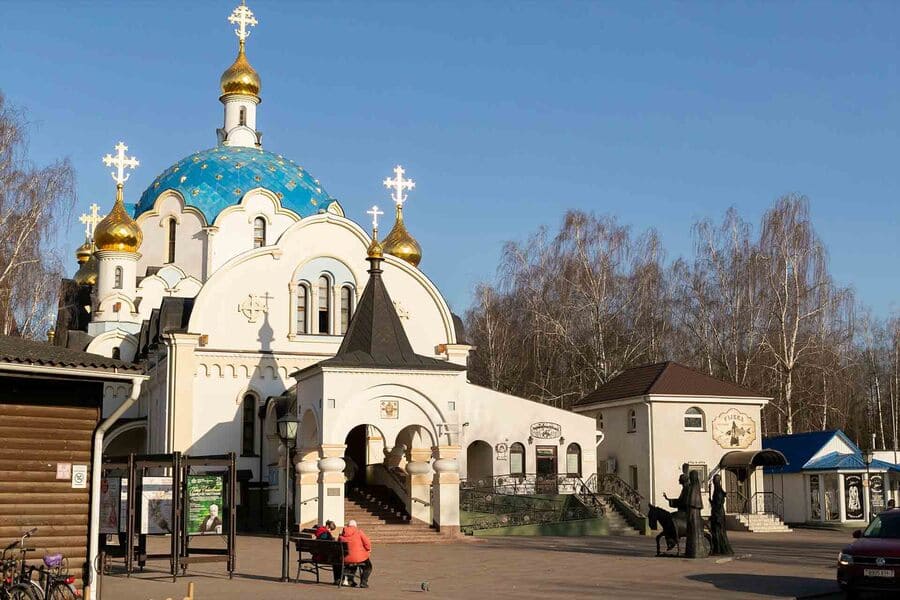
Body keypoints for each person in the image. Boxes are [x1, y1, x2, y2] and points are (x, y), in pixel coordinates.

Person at [338, 519, 373, 588]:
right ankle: (363, 582)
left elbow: (338, 546)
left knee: (353, 563)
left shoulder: (342, 534)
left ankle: (350, 581)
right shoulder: (359, 532)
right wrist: (368, 549)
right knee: (368, 567)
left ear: (348, 526)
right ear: (355, 526)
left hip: (345, 558)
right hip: (359, 557)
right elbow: (367, 544)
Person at [708, 474, 733, 556]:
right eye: (714, 480)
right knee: (718, 532)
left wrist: (712, 504)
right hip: (718, 513)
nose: (714, 481)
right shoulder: (718, 489)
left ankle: (718, 550)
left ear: (717, 481)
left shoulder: (718, 491)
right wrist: (711, 501)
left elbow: (718, 504)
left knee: (717, 532)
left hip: (718, 514)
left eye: (715, 480)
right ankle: (718, 549)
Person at [685, 470, 707, 558]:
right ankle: (692, 551)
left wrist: (689, 508)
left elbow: (692, 501)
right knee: (693, 531)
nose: (690, 478)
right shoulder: (693, 486)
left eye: (691, 476)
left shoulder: (694, 487)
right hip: (694, 512)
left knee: (694, 531)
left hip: (693, 512)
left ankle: (695, 552)